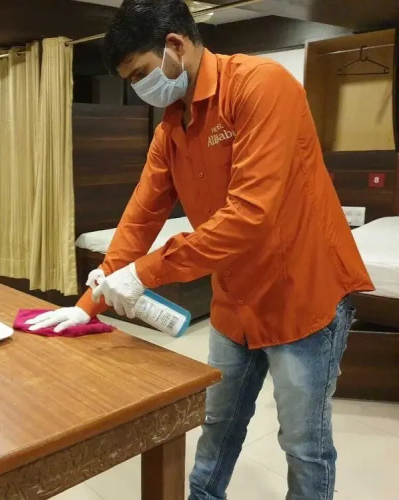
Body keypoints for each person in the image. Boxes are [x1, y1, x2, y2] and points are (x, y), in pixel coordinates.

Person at [28, 1, 375, 499]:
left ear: (175, 44)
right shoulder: (172, 127)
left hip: (302, 296)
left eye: (140, 73)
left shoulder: (260, 85)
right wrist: (90, 302)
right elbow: (141, 215)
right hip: (235, 299)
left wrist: (143, 273)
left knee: (303, 444)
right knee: (217, 422)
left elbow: (249, 215)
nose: (139, 88)